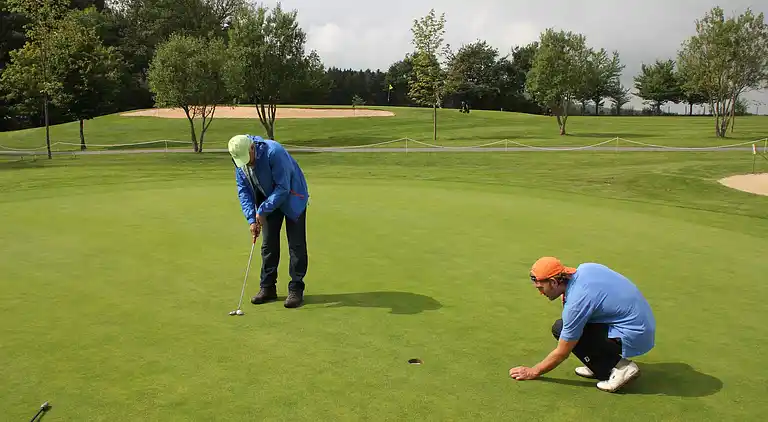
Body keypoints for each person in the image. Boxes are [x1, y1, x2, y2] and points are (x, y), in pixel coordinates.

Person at [509, 257, 656, 393]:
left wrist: (533, 371)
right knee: (573, 326)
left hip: (635, 335)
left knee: (561, 329)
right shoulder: (585, 269)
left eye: (541, 288)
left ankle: (621, 367)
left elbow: (562, 352)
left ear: (554, 282)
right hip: (640, 324)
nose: (541, 293)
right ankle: (598, 364)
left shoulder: (577, 302)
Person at [228, 134, 310, 309]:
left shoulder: (274, 152)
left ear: (252, 148)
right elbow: (244, 191)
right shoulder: (240, 161)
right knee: (268, 244)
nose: (245, 163)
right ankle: (267, 287)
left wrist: (262, 210)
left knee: (296, 244)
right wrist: (252, 219)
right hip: (268, 197)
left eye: (247, 158)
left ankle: (296, 288)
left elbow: (283, 187)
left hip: (292, 196)